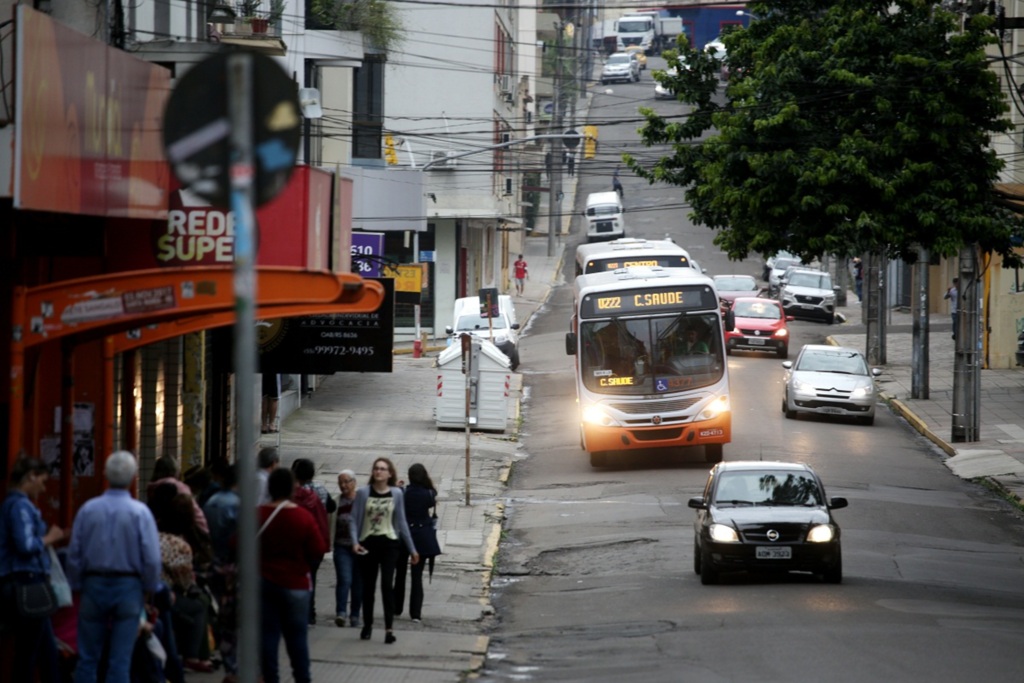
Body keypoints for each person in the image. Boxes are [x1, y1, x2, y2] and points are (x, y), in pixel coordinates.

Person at [66, 450, 162, 683]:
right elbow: (151, 558)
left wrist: (77, 584)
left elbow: (74, 552)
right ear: (133, 477)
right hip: (128, 586)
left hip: (93, 583)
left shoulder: (88, 510)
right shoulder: (140, 513)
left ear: (105, 475)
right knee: (120, 660)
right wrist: (150, 587)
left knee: (87, 658)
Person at [258, 467, 327, 683]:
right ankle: (302, 678)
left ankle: (271, 678)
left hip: (265, 582)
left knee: (268, 636)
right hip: (296, 584)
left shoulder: (257, 514)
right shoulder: (302, 517)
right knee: (297, 638)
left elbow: (235, 544)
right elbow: (318, 548)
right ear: (291, 489)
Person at [0, 456, 65, 683]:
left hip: (23, 582)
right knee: (30, 651)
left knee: (44, 650)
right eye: (43, 481)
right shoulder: (20, 506)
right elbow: (25, 545)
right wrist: (50, 537)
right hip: (26, 581)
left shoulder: (12, 504)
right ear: (31, 477)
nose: (44, 488)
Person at [349, 457, 419, 645]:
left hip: (390, 545)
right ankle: (368, 625)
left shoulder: (396, 493)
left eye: (383, 469)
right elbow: (353, 520)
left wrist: (412, 549)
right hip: (368, 544)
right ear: (373, 472)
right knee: (368, 587)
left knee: (387, 585)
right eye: (376, 468)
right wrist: (355, 542)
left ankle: (389, 629)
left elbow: (402, 522)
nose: (379, 471)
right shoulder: (363, 493)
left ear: (389, 473)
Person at [149, 486, 213, 674]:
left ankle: (198, 655)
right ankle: (193, 656)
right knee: (200, 604)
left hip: (147, 592)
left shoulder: (154, 536)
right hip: (165, 596)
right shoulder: (180, 545)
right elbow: (185, 583)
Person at [202, 463, 240, 680]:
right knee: (238, 621)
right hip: (232, 570)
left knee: (223, 621)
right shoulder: (238, 505)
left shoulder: (211, 502)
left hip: (213, 565)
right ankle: (237, 668)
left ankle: (230, 667)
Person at [394, 464, 442, 623]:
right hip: (421, 537)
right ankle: (415, 614)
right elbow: (432, 498)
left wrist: (398, 487)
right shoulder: (429, 493)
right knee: (417, 576)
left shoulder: (404, 492)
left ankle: (396, 608)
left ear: (409, 476)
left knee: (399, 573)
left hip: (404, 536)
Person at [290, 459, 330, 625]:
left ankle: (298, 611)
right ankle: (310, 613)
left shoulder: (293, 492)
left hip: (299, 542)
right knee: (311, 577)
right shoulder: (320, 489)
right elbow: (331, 506)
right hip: (317, 539)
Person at [146, 455, 209, 534]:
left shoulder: (152, 487)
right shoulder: (179, 487)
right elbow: (192, 511)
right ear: (174, 471)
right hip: (193, 531)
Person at [332, 470, 363, 629]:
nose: (343, 485)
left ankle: (355, 615)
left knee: (358, 583)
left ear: (354, 482)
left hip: (360, 548)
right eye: (340, 482)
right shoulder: (336, 502)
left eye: (346, 481)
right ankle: (341, 612)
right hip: (341, 546)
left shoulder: (361, 501)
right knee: (345, 579)